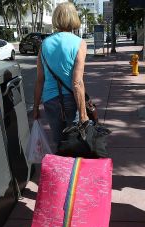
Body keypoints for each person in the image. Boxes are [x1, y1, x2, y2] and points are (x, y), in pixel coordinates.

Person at [33, 2, 89, 145]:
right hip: (71, 99)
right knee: (75, 144)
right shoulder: (79, 43)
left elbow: (40, 79)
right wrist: (83, 114)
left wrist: (35, 108)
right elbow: (77, 82)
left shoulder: (44, 44)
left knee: (59, 143)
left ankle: (60, 166)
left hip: (50, 100)